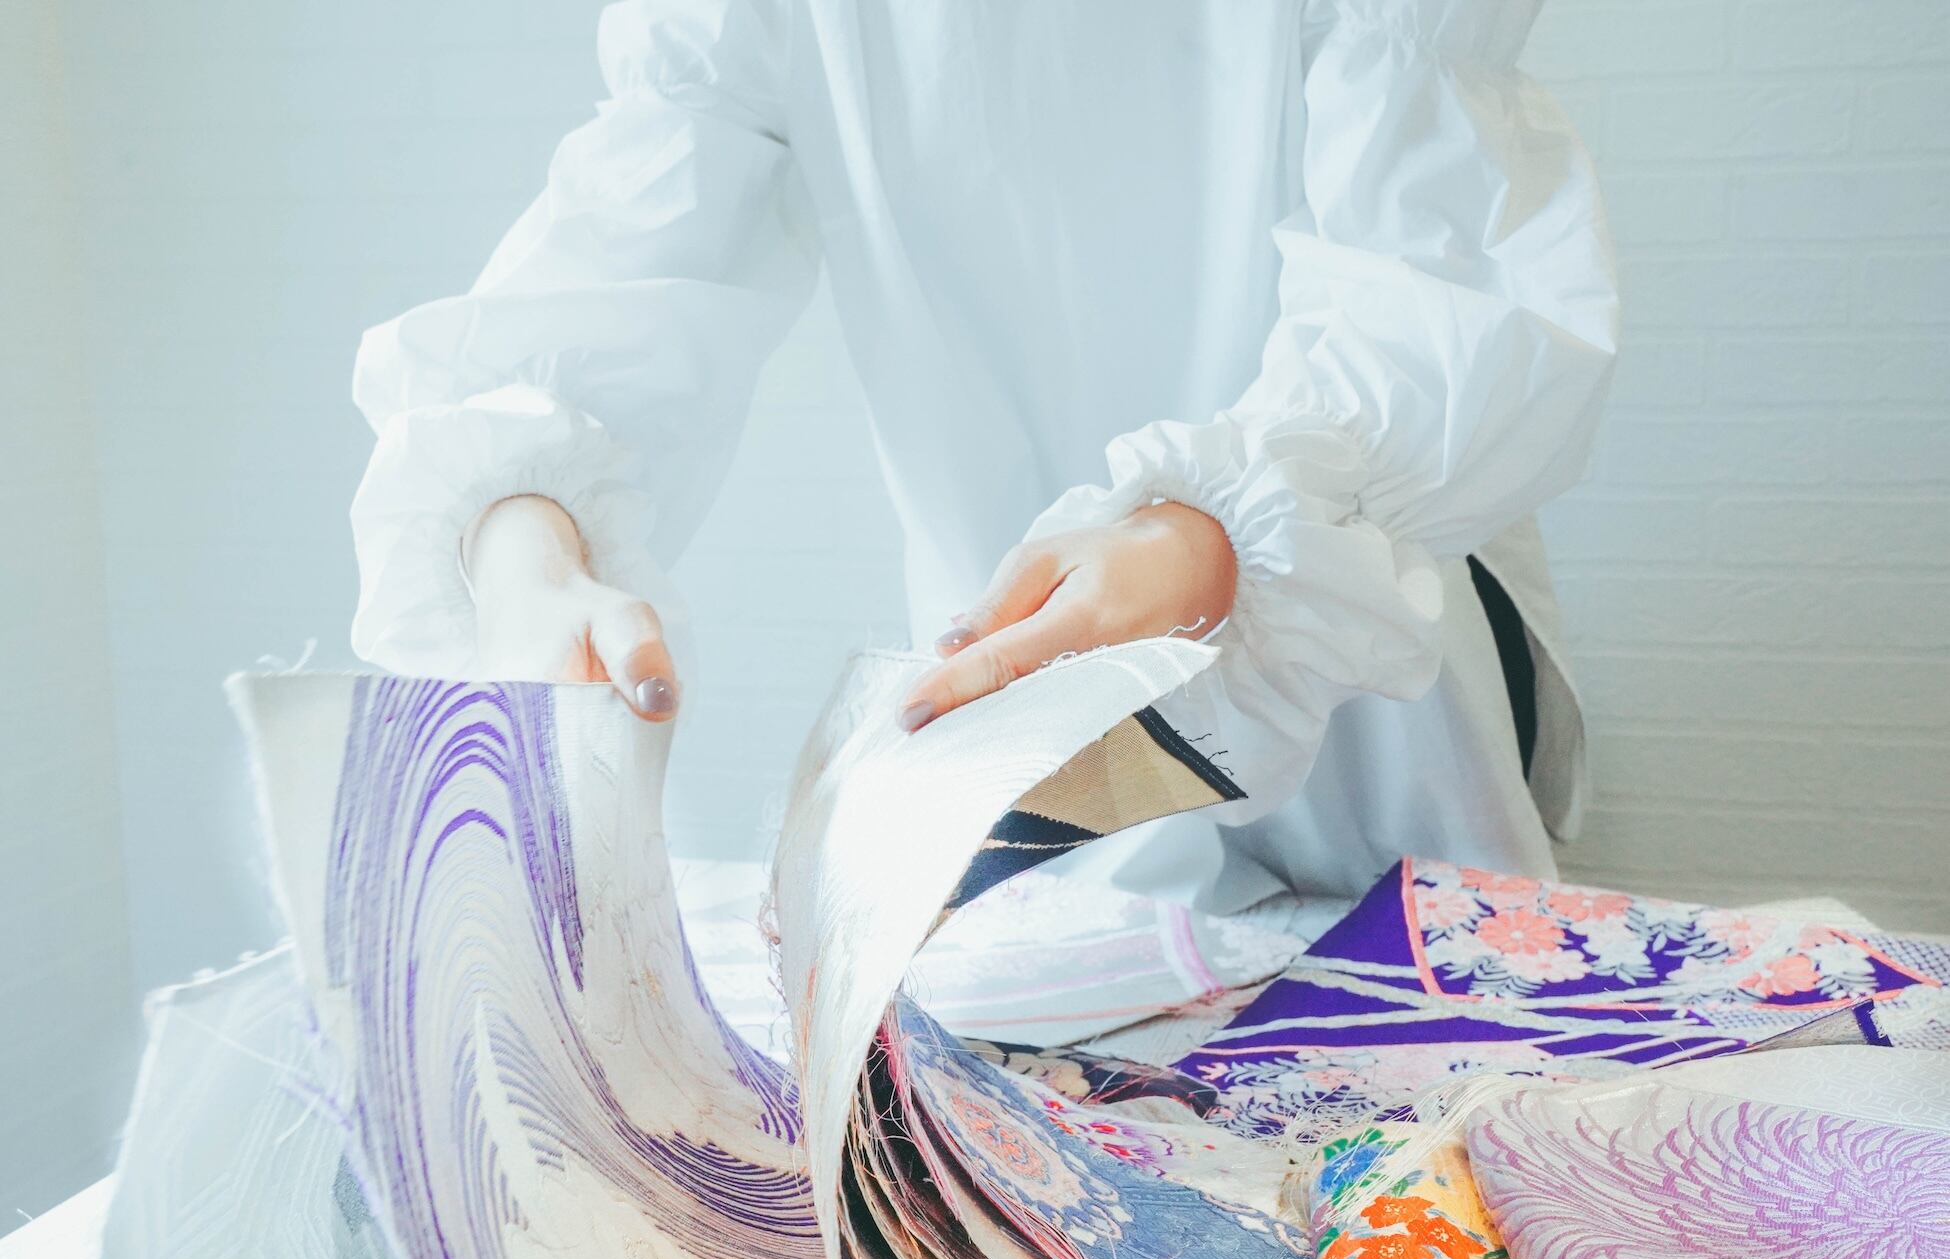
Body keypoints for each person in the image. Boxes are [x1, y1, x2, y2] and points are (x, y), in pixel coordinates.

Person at [349, 0, 1618, 916]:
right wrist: (524, 542)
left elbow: (1436, 281)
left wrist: (1219, 538)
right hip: (1018, 671)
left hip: (1360, 626)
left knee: (1405, 1098)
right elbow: (626, 241)